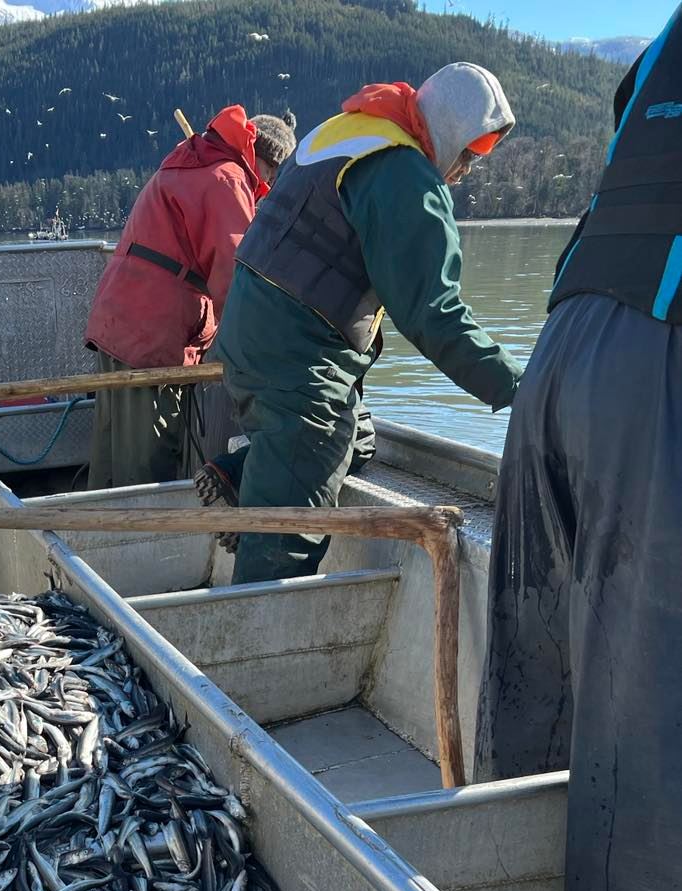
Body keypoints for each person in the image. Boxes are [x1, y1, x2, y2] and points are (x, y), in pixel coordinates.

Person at [475, 16, 682, 891]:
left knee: (543, 657)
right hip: (655, 357)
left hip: (563, 348)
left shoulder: (660, 45)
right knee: (652, 685)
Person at [199, 64, 522, 583]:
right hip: (297, 366)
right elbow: (434, 314)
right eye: (474, 148)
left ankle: (244, 475)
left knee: (359, 437)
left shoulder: (347, 131)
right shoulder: (404, 174)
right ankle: (252, 636)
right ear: (450, 130)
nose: (468, 167)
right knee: (286, 537)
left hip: (244, 340)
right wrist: (520, 389)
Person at [84, 108, 296, 489]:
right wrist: (270, 356)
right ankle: (147, 542)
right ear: (267, 163)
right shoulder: (227, 180)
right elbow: (237, 283)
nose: (269, 183)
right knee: (145, 461)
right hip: (151, 335)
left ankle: (96, 537)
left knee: (112, 450)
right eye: (273, 175)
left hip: (119, 322)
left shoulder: (194, 157)